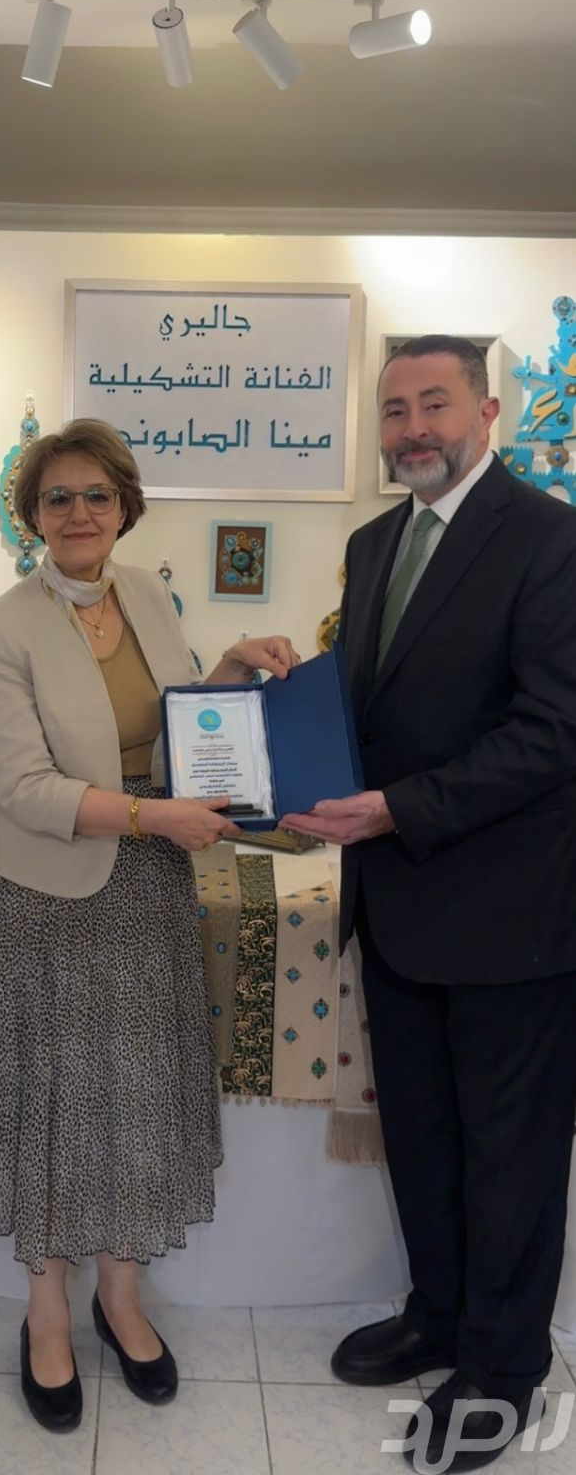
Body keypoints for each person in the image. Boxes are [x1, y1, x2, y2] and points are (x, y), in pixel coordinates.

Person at [0, 418, 298, 1433]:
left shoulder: (144, 594)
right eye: (57, 497)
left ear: (124, 506)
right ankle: (46, 1312)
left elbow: (173, 730)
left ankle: (120, 1295)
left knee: (133, 1098)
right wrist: (154, 817)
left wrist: (229, 673)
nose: (79, 513)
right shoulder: (1, 629)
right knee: (50, 1103)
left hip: (147, 891)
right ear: (31, 515)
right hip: (46, 899)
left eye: (96, 495)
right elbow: (24, 788)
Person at [281, 336, 576, 1473]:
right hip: (398, 907)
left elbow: (553, 730)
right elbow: (373, 712)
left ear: (488, 413)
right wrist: (282, 716)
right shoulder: (375, 543)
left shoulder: (551, 539)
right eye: (395, 408)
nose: (413, 427)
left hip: (512, 915)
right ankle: (440, 1315)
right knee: (422, 1135)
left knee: (511, 1156)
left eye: (435, 403)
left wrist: (399, 809)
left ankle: (502, 1370)